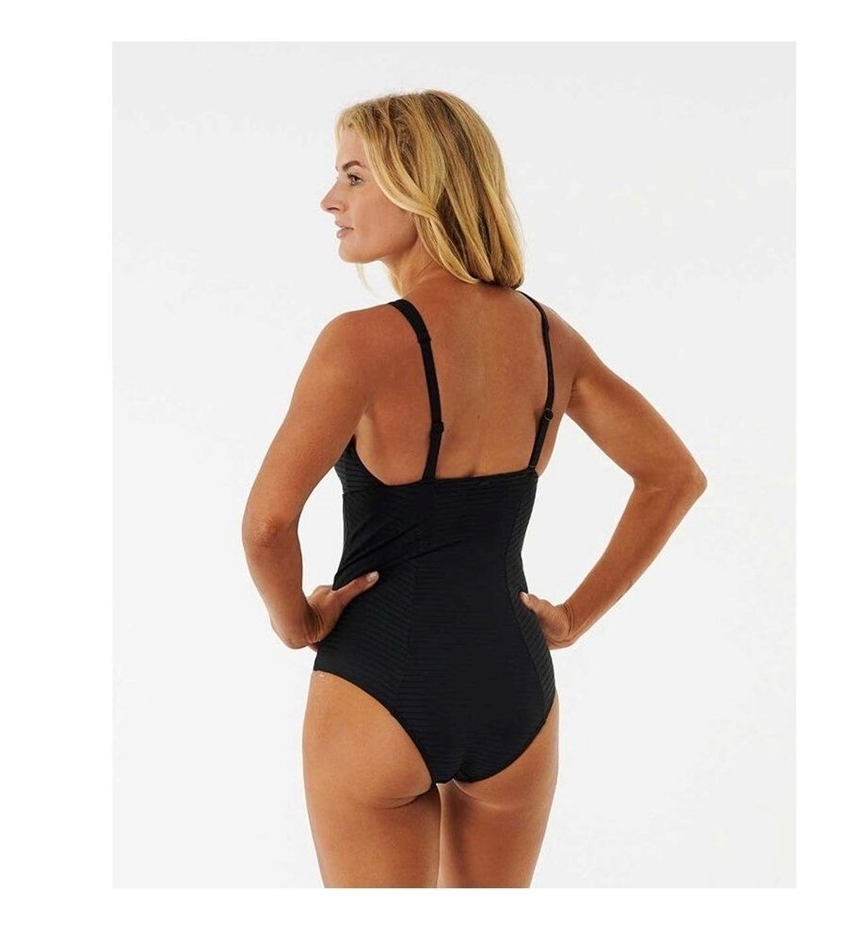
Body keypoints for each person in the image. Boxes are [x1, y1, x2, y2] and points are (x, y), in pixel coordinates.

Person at [241, 90, 707, 888]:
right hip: (513, 685)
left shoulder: (359, 343)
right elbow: (673, 476)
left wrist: (299, 623)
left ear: (420, 186)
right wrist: (574, 617)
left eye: (353, 177)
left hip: (375, 682)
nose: (330, 201)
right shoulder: (549, 337)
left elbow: (266, 525)